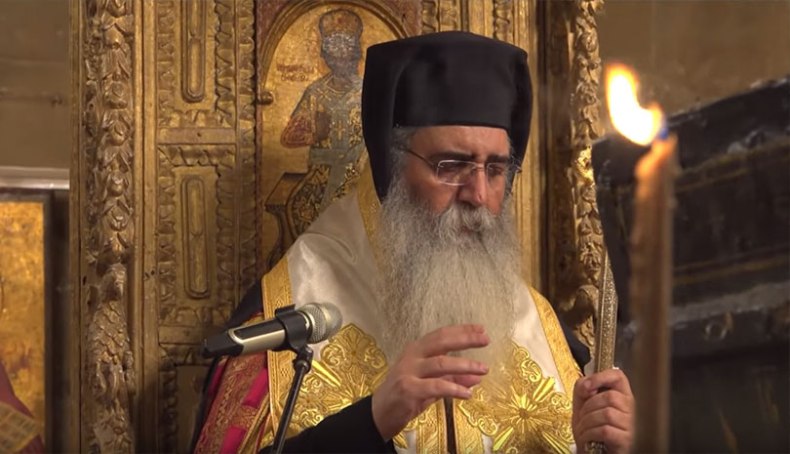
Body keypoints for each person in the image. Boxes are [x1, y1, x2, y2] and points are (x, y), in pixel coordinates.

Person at [193, 31, 634, 453]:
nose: (479, 195)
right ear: (393, 169)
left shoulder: (537, 324)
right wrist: (372, 422)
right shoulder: (294, 310)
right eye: (451, 165)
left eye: (496, 169)